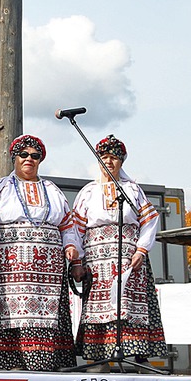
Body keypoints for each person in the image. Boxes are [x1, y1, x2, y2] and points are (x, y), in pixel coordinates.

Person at [66, 134, 170, 364]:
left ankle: (139, 359)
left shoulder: (132, 190)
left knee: (131, 305)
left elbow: (150, 220)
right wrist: (77, 262)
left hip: (129, 260)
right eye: (104, 157)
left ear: (121, 162)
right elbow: (76, 229)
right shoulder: (88, 192)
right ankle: (97, 360)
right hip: (97, 263)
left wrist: (141, 250)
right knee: (99, 308)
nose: (108, 162)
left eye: (114, 157)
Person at [0, 134, 77, 371]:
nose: (29, 159)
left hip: (48, 272)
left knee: (47, 314)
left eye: (35, 156)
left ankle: (47, 363)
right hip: (10, 267)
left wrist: (71, 246)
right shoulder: (2, 187)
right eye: (23, 155)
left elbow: (67, 224)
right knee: (10, 312)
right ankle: (9, 362)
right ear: (15, 158)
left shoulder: (52, 189)